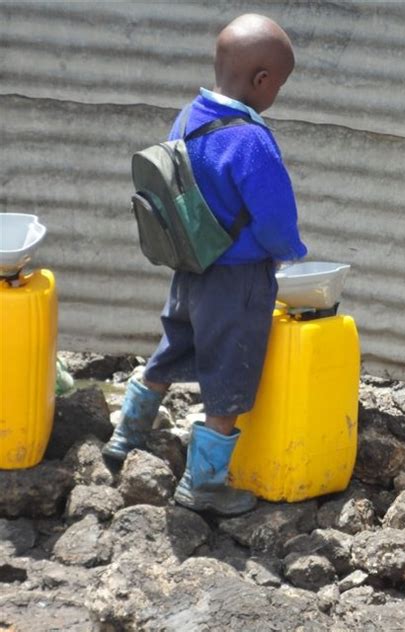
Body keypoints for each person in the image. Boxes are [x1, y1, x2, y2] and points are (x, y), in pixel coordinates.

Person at [103, 13, 307, 515]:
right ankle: (205, 485)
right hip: (236, 280)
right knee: (228, 378)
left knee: (173, 348)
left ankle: (125, 438)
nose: (276, 92)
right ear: (262, 81)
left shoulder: (190, 114)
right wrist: (289, 252)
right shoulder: (250, 140)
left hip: (189, 267)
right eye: (278, 84)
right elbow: (276, 216)